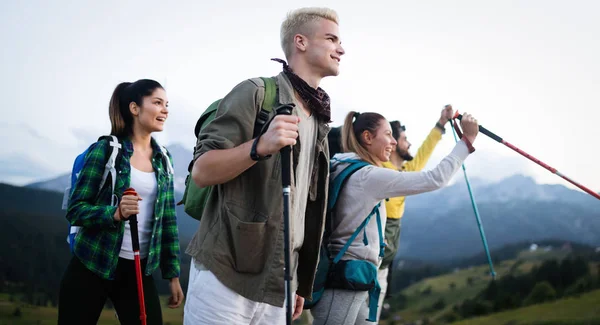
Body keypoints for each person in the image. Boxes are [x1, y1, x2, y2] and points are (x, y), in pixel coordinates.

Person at [182, 7, 345, 325]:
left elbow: (304, 210)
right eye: (331, 38)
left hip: (280, 282)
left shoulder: (319, 121)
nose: (341, 48)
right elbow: (202, 171)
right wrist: (259, 146)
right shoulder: (256, 93)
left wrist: (299, 281)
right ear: (300, 42)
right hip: (225, 275)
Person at [311, 110, 479, 324]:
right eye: (388, 134)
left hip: (348, 276)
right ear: (368, 137)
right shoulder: (369, 176)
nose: (392, 141)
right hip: (347, 279)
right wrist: (467, 141)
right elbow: (435, 178)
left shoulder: (340, 164)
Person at [58, 79, 184, 325]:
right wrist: (114, 213)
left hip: (138, 269)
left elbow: (168, 221)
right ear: (135, 108)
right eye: (157, 103)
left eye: (167, 104)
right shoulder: (105, 151)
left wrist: (173, 275)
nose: (165, 110)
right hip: (92, 264)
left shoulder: (164, 159)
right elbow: (75, 209)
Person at [364, 105, 455, 323]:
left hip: (385, 263)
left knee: (370, 318)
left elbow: (423, 153)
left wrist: (441, 124)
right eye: (404, 138)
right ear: (392, 144)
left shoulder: (403, 172)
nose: (408, 143)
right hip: (368, 262)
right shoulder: (381, 170)